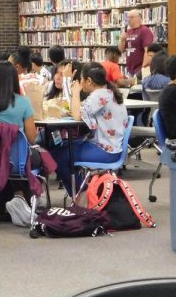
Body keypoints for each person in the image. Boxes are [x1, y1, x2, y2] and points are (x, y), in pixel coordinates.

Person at [51, 63, 130, 197]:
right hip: (110, 146)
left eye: (81, 79)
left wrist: (75, 92)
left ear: (89, 81)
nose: (80, 82)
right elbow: (80, 109)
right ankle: (82, 190)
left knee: (59, 155)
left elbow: (77, 115)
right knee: (64, 149)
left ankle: (81, 195)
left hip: (106, 150)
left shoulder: (98, 96)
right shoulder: (106, 92)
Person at [118, 9, 155, 77]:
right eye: (128, 17)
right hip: (130, 69)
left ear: (139, 18)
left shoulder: (145, 31)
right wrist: (121, 40)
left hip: (140, 68)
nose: (129, 19)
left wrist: (143, 68)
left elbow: (148, 50)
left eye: (131, 17)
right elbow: (121, 50)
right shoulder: (127, 31)